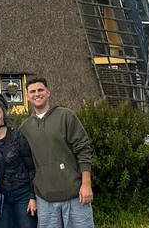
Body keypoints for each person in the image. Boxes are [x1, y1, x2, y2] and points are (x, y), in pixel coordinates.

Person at [19, 78, 94, 228]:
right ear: (27, 97)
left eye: (40, 90)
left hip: (75, 195)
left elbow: (83, 149)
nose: (37, 94)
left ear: (48, 93)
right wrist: (32, 196)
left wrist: (86, 184)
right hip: (45, 199)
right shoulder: (25, 127)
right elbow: (27, 165)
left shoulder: (66, 116)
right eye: (32, 91)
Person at [0, 92, 37, 228]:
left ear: (4, 114)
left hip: (22, 194)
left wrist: (32, 197)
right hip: (0, 196)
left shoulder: (17, 136)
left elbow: (31, 168)